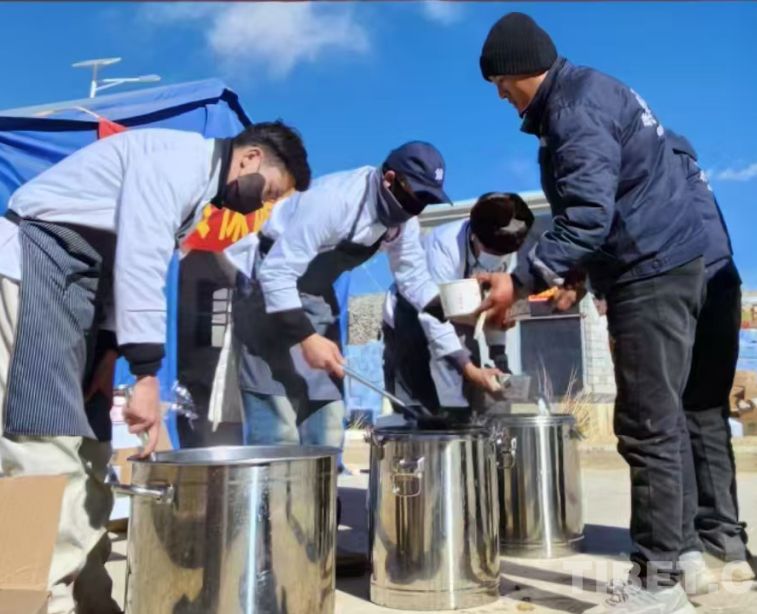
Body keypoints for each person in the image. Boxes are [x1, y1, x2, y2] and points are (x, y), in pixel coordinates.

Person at [0, 122, 310, 614]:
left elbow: (120, 266)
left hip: (83, 290)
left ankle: (91, 601)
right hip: (33, 264)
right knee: (45, 444)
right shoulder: (178, 160)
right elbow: (139, 261)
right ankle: (50, 604)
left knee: (91, 450)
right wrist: (146, 375)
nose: (263, 206)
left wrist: (110, 353)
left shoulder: (198, 195)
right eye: (270, 193)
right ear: (251, 158)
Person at [477, 13, 708, 614]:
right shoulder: (590, 92)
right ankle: (683, 555)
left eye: (500, 84)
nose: (501, 96)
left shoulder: (574, 110)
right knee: (663, 418)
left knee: (646, 425)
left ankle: (658, 584)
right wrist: (576, 278)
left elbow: (586, 216)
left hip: (650, 271)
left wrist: (518, 282)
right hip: (663, 264)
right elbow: (607, 205)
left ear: (518, 70)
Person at [225, 141, 501, 450]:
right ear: (390, 179)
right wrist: (308, 338)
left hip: (315, 297)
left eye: (427, 200)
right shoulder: (335, 200)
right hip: (266, 290)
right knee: (277, 425)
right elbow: (276, 273)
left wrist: (455, 312)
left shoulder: (402, 222)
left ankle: (322, 480)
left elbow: (412, 279)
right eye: (417, 196)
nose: (418, 207)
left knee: (326, 420)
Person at [664, 131, 756, 592]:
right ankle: (726, 541)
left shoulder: (635, 151)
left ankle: (684, 547)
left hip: (680, 282)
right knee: (707, 412)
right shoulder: (684, 158)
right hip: (722, 278)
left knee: (668, 416)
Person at [382, 192, 534, 419]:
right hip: (412, 317)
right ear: (474, 235)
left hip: (461, 319)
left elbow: (493, 305)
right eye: (491, 252)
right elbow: (432, 316)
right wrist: (469, 369)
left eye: (503, 254)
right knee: (421, 409)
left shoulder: (505, 245)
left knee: (467, 401)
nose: (498, 259)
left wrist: (498, 354)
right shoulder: (443, 247)